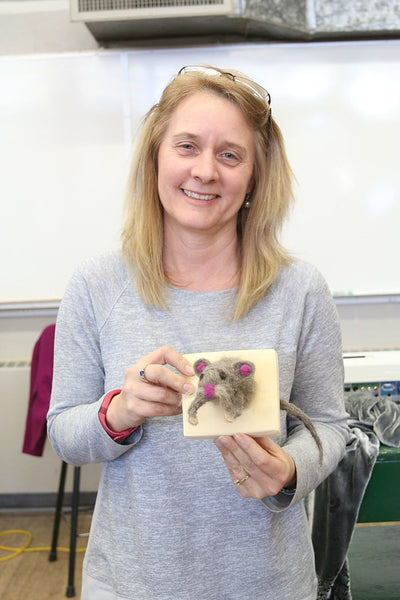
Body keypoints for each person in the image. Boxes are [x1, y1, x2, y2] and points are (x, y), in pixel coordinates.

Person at [47, 65, 350, 600]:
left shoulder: (299, 290)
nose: (205, 171)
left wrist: (288, 470)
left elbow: (328, 426)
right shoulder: (97, 284)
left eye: (230, 154)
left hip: (268, 584)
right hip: (131, 584)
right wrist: (120, 411)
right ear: (156, 158)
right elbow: (65, 433)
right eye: (187, 146)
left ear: (255, 175)